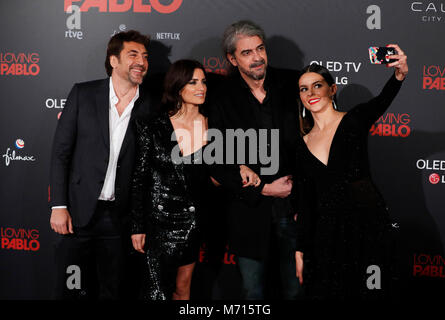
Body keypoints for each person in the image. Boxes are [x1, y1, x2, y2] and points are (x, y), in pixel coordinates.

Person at [294, 44, 408, 299]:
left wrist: (399, 74)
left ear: (332, 89)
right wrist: (300, 250)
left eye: (317, 85)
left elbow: (381, 101)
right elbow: (306, 201)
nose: (311, 92)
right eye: (304, 88)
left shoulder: (353, 120)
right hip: (325, 236)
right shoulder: (301, 144)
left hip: (365, 225)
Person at [49, 30, 156, 299]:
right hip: (78, 214)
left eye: (145, 56)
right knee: (71, 289)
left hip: (119, 218)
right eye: (133, 54)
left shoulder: (152, 106)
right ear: (113, 60)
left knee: (113, 290)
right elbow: (61, 153)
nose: (141, 62)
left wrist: (138, 224)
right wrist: (59, 206)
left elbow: (148, 171)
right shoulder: (83, 94)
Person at [207, 20, 303, 299]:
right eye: (247, 52)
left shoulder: (294, 83)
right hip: (249, 211)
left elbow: (317, 138)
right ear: (232, 58)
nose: (257, 57)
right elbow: (216, 160)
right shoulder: (221, 97)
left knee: (296, 289)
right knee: (253, 291)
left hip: (294, 209)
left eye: (260, 48)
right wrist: (263, 188)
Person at [130, 59, 213, 300]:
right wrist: (138, 227)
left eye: (204, 82)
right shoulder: (154, 126)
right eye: (193, 82)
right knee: (155, 292)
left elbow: (220, 171)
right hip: (158, 224)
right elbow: (139, 178)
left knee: (183, 288)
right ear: (178, 87)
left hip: (193, 224)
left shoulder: (213, 125)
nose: (202, 88)